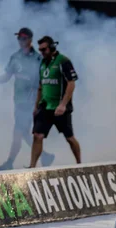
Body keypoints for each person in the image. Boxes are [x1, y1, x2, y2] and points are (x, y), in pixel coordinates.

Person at [0, 28, 54, 170]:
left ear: (29, 40)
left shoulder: (38, 59)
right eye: (19, 38)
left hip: (31, 103)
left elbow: (45, 81)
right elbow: (6, 77)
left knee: (18, 132)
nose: (20, 41)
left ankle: (9, 162)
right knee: (23, 132)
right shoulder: (15, 57)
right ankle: (45, 156)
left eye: (23, 38)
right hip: (18, 102)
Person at [29, 36, 81, 168]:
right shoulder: (43, 63)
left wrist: (63, 105)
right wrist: (36, 106)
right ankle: (32, 166)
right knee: (37, 135)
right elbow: (41, 86)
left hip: (60, 108)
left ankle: (80, 164)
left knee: (69, 138)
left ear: (52, 47)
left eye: (44, 49)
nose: (42, 52)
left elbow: (71, 84)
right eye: (40, 49)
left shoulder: (63, 61)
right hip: (45, 107)